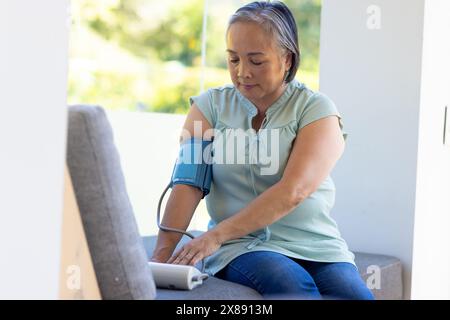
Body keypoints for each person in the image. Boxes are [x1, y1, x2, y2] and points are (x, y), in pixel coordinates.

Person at [151, 0, 374, 300]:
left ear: (287, 58)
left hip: (317, 246)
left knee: (356, 296)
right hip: (241, 246)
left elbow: (294, 190)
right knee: (292, 286)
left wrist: (213, 236)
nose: (243, 72)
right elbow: (188, 184)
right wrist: (161, 257)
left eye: (256, 61)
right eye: (233, 60)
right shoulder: (207, 109)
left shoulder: (317, 110)